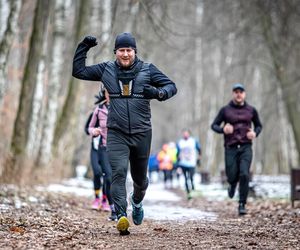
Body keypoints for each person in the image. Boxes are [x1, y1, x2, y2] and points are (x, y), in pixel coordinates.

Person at [72, 32, 177, 235]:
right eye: (122, 50)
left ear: (134, 51)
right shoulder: (106, 69)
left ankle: (136, 202)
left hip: (142, 133)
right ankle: (121, 215)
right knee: (117, 173)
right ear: (116, 52)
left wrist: (158, 93)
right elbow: (79, 71)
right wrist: (84, 46)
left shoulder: (148, 70)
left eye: (129, 50)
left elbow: (171, 86)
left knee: (140, 180)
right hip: (116, 132)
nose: (126, 54)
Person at [211, 83, 262, 215]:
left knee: (244, 174)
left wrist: (255, 133)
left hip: (246, 146)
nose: (238, 94)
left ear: (244, 94)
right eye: (236, 92)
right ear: (233, 94)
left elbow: (259, 126)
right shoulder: (225, 110)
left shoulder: (251, 110)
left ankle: (242, 204)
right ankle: (232, 184)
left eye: (241, 92)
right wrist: (223, 129)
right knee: (232, 174)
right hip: (231, 147)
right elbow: (214, 125)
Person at [88, 88, 117, 221]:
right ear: (105, 94)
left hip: (119, 148)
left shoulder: (121, 107)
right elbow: (89, 127)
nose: (110, 95)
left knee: (118, 177)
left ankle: (118, 205)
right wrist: (94, 131)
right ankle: (111, 207)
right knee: (108, 177)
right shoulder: (99, 109)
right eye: (107, 92)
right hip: (103, 147)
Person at [84, 108, 104, 210]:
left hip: (107, 149)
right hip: (95, 149)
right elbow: (86, 129)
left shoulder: (113, 112)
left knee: (107, 175)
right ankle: (97, 198)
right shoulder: (94, 113)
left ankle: (105, 199)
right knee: (96, 172)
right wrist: (93, 131)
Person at [176, 129, 201, 199]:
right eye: (184, 133)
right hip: (183, 163)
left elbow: (199, 149)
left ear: (189, 134)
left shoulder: (193, 141)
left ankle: (193, 189)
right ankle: (188, 192)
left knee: (191, 177)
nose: (185, 135)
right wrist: (177, 164)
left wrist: (199, 159)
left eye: (186, 133)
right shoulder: (180, 142)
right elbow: (177, 153)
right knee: (185, 178)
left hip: (191, 163)